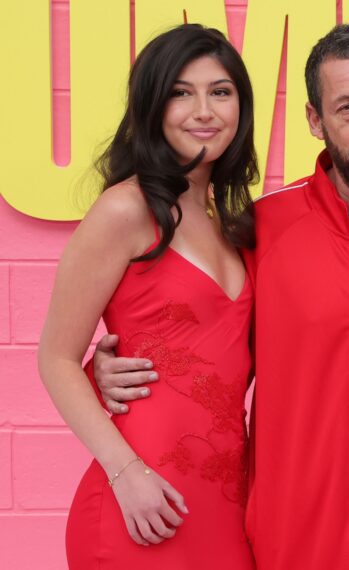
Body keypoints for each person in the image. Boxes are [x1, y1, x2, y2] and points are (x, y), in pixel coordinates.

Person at [93, 24, 349, 569]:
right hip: (293, 550)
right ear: (315, 120)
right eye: (346, 108)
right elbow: (208, 340)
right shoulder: (262, 227)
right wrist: (106, 364)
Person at [37, 25, 257, 569]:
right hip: (140, 502)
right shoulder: (125, 209)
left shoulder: (232, 225)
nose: (203, 109)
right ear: (153, 105)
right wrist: (126, 474)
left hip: (227, 506)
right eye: (182, 92)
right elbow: (55, 358)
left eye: (220, 91)